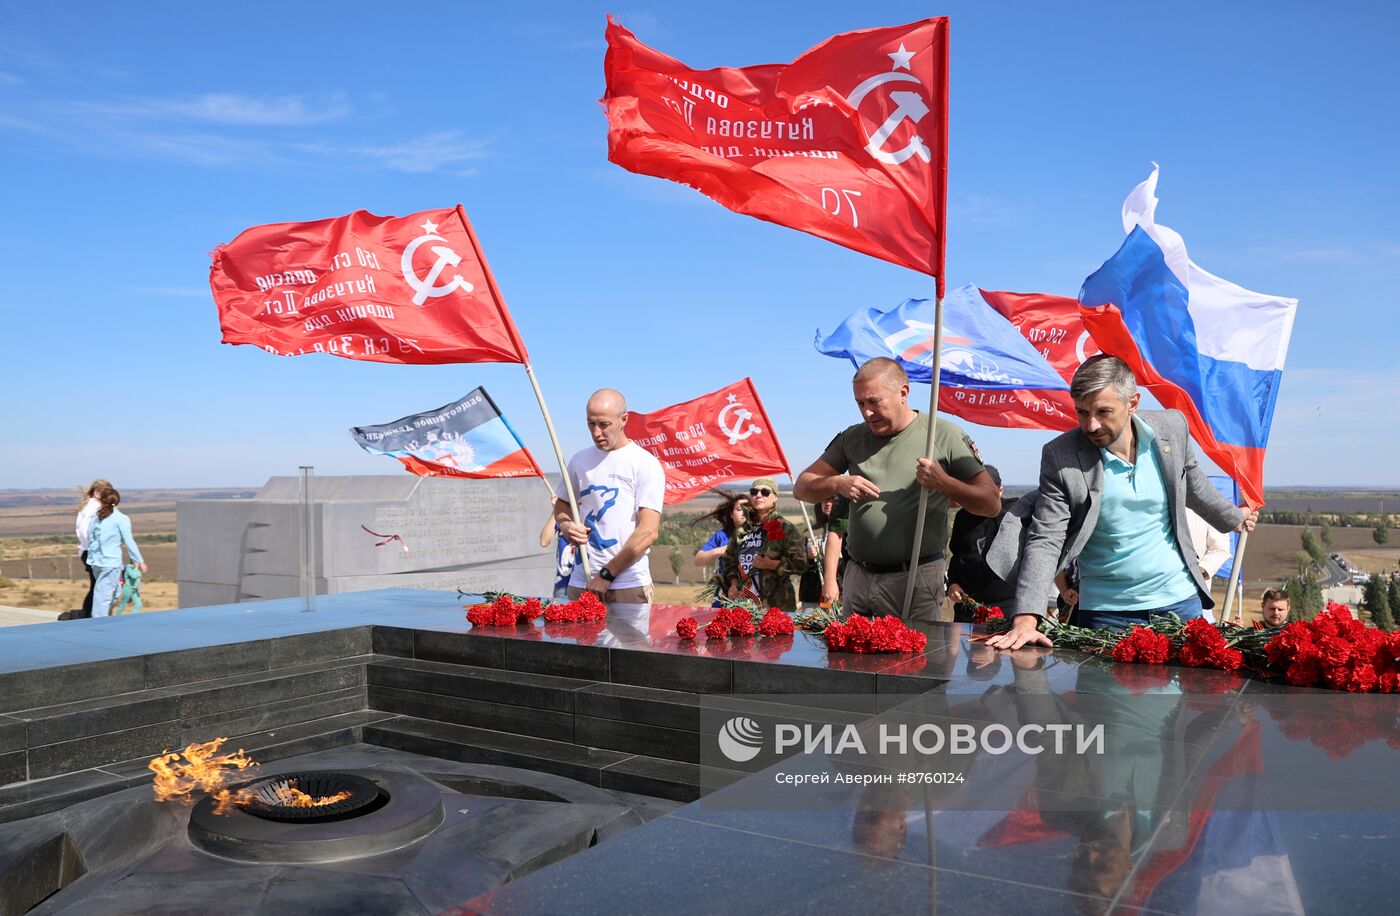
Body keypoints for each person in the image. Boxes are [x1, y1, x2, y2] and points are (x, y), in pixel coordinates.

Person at [985, 355, 1255, 650]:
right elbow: (1046, 538)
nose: (1091, 425)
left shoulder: (1172, 428)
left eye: (1103, 412)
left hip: (1181, 604)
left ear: (1133, 403)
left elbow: (1191, 484)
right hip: (1106, 615)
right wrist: (1026, 618)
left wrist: (1234, 517)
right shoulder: (1061, 457)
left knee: (1185, 696)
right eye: (1082, 413)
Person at [793, 357, 1001, 624]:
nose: (867, 412)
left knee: (914, 662)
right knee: (851, 660)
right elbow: (802, 487)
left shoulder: (942, 436)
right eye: (860, 404)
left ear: (903, 393)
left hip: (915, 578)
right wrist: (838, 483)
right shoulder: (852, 438)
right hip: (857, 575)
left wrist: (943, 483)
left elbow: (991, 503)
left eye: (874, 401)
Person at [552, 388, 664, 603]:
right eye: (590, 424)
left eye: (603, 424)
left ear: (624, 419)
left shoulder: (644, 463)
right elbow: (562, 503)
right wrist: (566, 525)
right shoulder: (579, 461)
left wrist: (606, 574)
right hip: (581, 580)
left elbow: (648, 531)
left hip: (627, 585)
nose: (596, 432)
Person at [721, 478, 808, 612]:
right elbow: (729, 561)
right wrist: (733, 584)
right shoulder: (741, 531)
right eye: (754, 492)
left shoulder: (785, 527)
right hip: (744, 605)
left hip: (776, 605)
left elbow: (800, 563)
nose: (759, 495)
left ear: (775, 498)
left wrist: (770, 564)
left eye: (765, 492)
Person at [945, 464, 1016, 620]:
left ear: (1000, 490)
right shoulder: (963, 517)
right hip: (968, 607)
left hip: (1007, 609)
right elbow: (956, 555)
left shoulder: (1016, 515)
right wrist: (953, 583)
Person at [86, 484, 146, 618]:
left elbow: (90, 538)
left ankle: (105, 616)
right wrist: (139, 560)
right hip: (110, 563)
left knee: (115, 591)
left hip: (96, 562)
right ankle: (98, 623)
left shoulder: (95, 518)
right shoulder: (121, 519)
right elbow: (129, 541)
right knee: (103, 595)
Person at [695, 491, 748, 606]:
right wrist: (722, 549)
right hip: (725, 593)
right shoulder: (721, 536)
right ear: (731, 514)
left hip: (751, 592)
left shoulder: (759, 534)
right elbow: (699, 559)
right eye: (739, 509)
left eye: (747, 508)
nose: (744, 512)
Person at [71, 478, 109, 619]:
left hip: (85, 550)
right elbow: (87, 531)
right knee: (100, 586)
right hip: (93, 551)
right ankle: (89, 615)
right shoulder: (95, 508)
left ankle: (88, 614)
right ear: (97, 493)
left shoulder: (87, 507)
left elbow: (81, 531)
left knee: (96, 585)